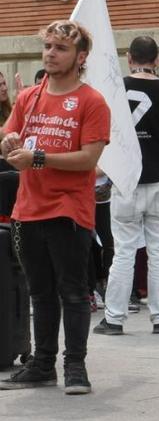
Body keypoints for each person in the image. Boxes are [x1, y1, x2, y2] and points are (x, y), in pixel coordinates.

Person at [0, 20, 110, 395]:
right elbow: (7, 140)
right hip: (26, 210)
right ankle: (42, 364)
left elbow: (89, 158)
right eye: (48, 46)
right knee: (39, 292)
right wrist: (9, 143)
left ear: (80, 57)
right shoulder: (29, 96)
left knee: (73, 291)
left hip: (69, 210)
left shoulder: (92, 101)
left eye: (60, 48)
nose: (50, 53)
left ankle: (75, 366)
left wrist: (38, 158)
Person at [97, 36, 159, 336]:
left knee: (123, 251)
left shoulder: (115, 89)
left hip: (125, 180)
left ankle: (113, 319)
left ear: (129, 57)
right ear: (157, 60)